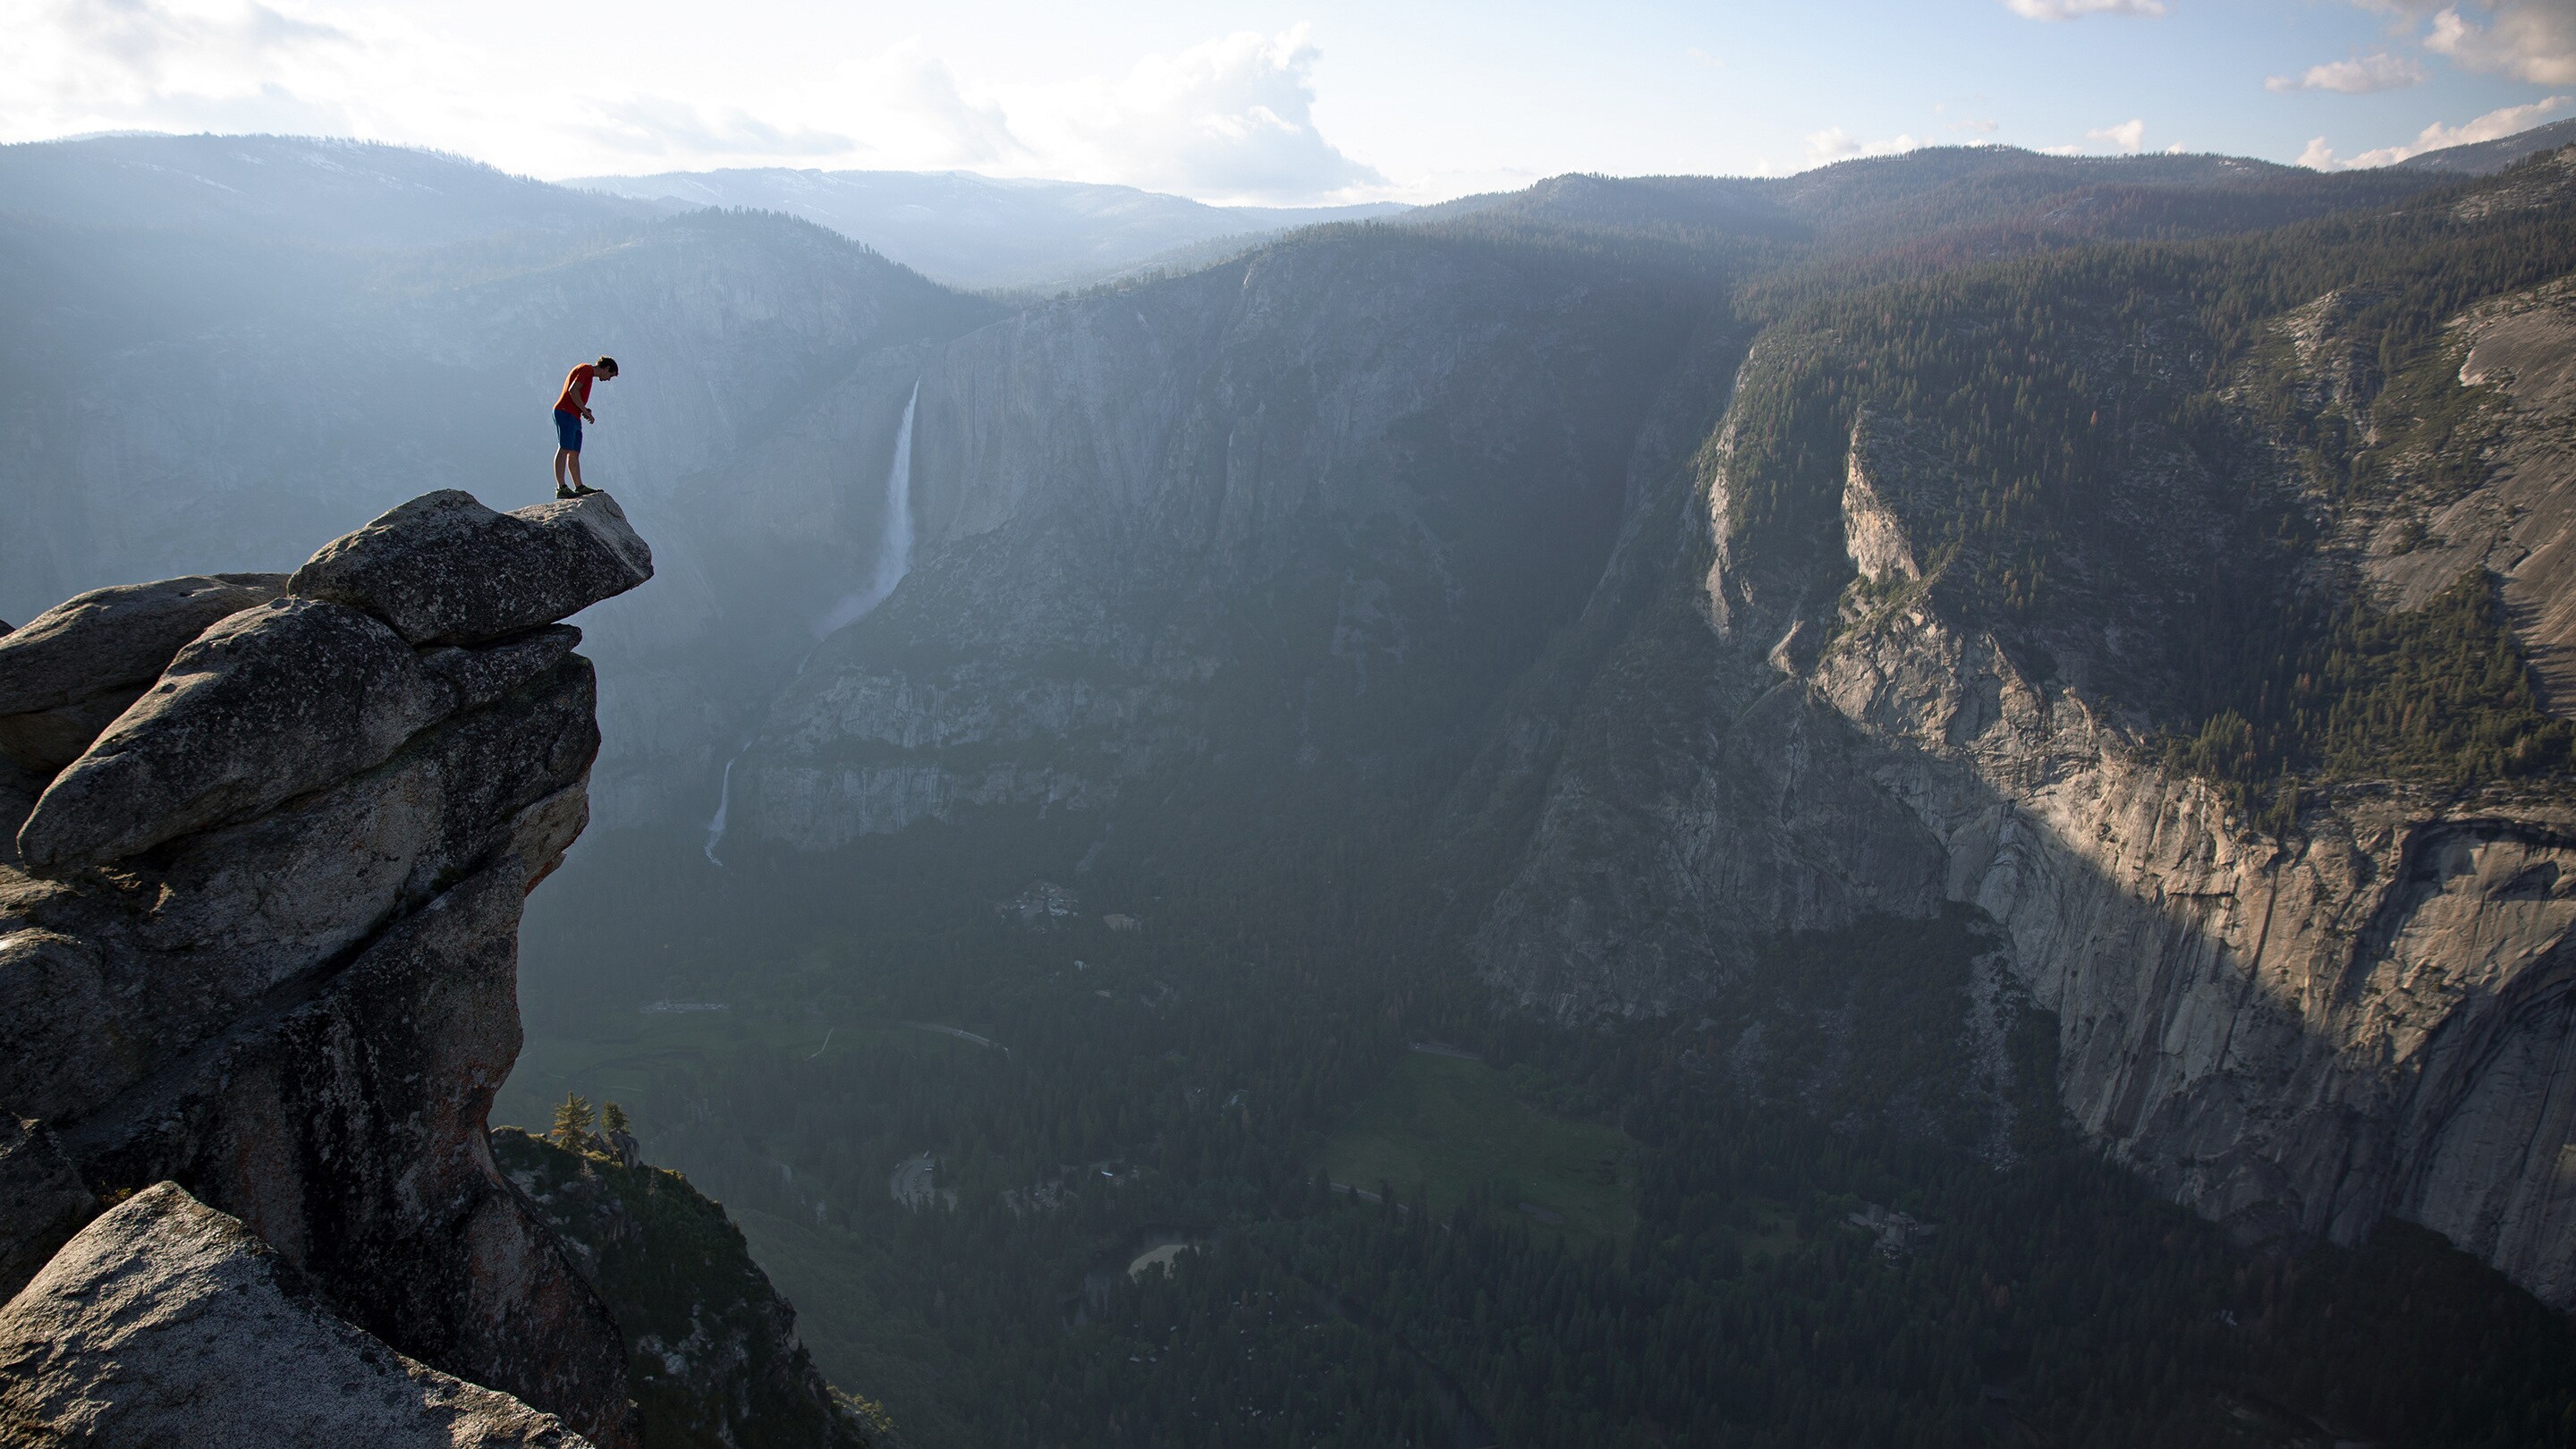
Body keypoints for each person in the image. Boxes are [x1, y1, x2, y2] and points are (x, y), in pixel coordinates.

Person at [551, 355, 620, 499]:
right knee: (564, 448)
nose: (608, 380)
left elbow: (575, 395)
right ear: (606, 368)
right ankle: (561, 487)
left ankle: (579, 486)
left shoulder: (588, 374)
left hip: (573, 414)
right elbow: (573, 390)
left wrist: (583, 409)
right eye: (610, 376)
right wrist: (584, 410)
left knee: (574, 452)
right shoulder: (586, 369)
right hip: (565, 412)